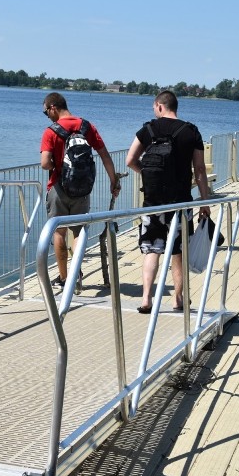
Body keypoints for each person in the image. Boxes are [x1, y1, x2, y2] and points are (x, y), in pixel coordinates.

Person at [126, 90, 211, 314]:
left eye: (154, 108)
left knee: (151, 250)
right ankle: (178, 299)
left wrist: (144, 173)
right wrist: (204, 202)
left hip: (152, 201)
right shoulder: (190, 131)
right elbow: (200, 170)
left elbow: (130, 160)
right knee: (178, 250)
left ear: (160, 106)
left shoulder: (148, 129)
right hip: (180, 203)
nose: (154, 112)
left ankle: (146, 299)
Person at [40, 92, 121, 288]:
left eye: (46, 112)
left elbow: (44, 163)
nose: (47, 116)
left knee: (59, 233)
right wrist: (113, 181)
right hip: (82, 189)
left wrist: (55, 166)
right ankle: (76, 273)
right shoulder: (86, 126)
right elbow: (104, 155)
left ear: (53, 107)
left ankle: (65, 278)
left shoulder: (51, 131)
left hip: (58, 188)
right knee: (78, 232)